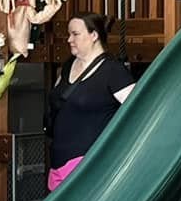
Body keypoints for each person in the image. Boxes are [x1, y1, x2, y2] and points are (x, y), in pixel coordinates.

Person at [46, 10, 134, 191]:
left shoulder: (113, 72)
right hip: (57, 163)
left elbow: (138, 112)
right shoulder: (68, 65)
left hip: (90, 166)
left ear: (94, 35)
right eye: (69, 34)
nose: (69, 39)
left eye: (75, 34)